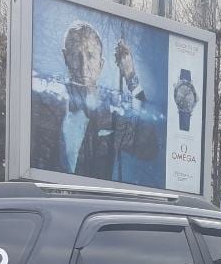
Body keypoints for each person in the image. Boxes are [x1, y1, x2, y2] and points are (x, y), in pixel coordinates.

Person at [30, 21, 159, 182]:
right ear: (65, 57)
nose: (84, 66)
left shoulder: (111, 113)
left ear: (101, 64)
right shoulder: (47, 105)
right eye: (76, 55)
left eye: (90, 56)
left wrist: (131, 77)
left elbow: (147, 148)